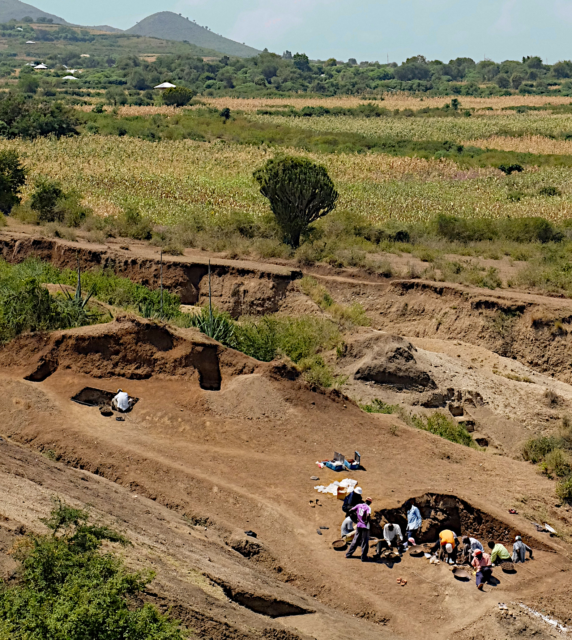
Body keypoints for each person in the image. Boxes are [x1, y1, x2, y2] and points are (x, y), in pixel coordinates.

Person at [346, 497, 372, 562]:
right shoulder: (368, 508)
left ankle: (348, 554)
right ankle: (363, 557)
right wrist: (366, 521)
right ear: (370, 503)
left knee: (355, 540)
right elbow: (368, 515)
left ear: (365, 501)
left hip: (359, 525)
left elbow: (350, 510)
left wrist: (355, 518)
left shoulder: (359, 505)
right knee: (364, 541)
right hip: (365, 527)